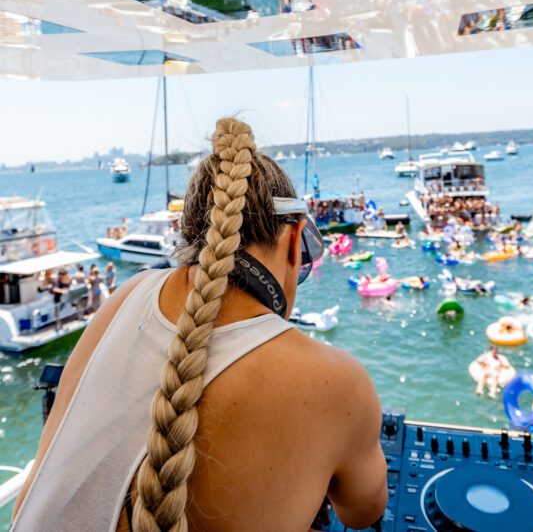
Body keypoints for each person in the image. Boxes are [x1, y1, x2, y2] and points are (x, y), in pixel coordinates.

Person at [13, 117, 387, 532]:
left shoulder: (125, 296)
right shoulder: (337, 382)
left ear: (190, 230)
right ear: (295, 239)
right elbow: (363, 512)